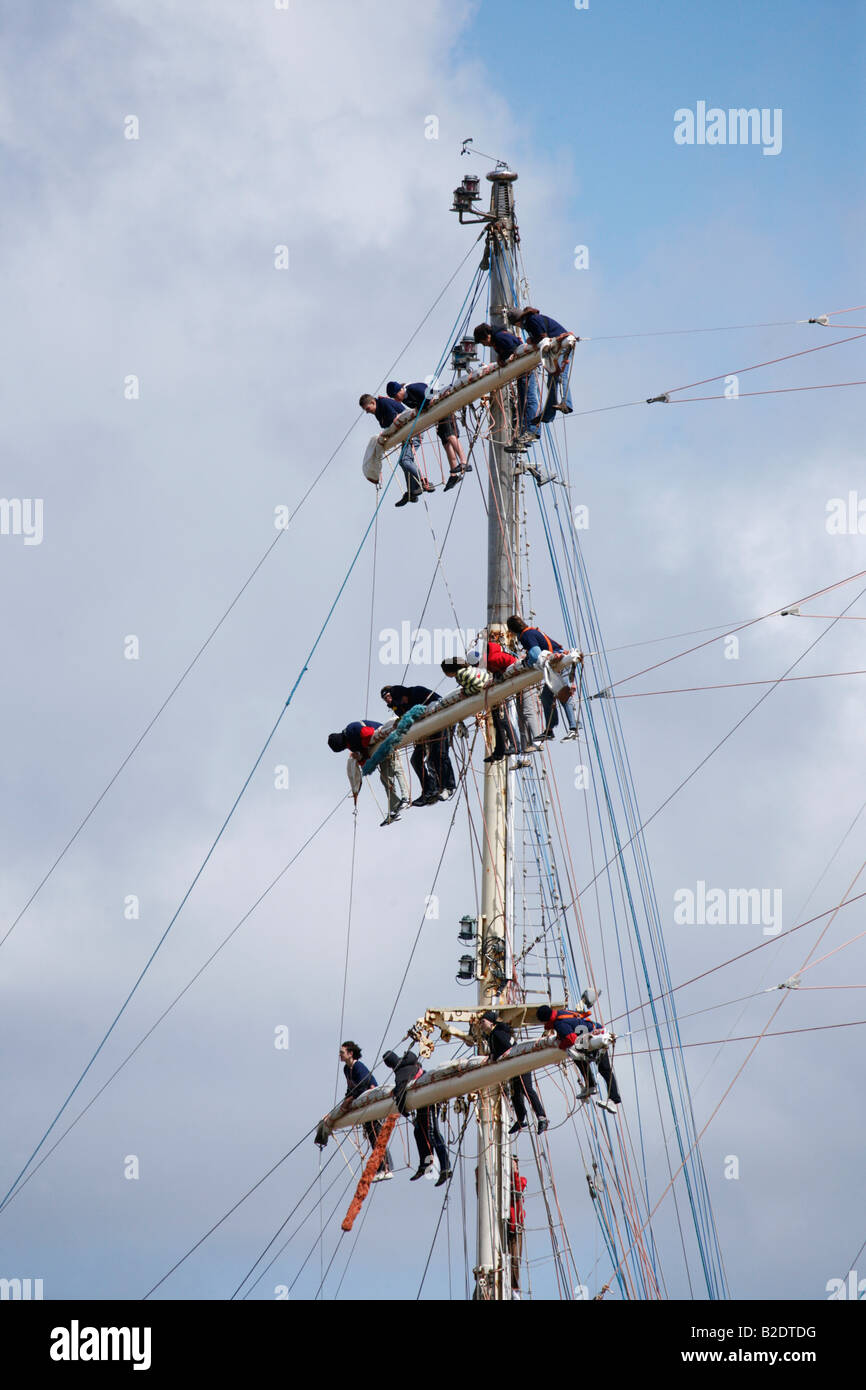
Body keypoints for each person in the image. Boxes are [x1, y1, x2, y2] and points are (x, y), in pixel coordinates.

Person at [536, 1001, 621, 1115]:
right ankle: (592, 1086)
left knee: (579, 1057)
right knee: (599, 1067)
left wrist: (561, 1045)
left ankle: (610, 1098)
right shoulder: (561, 1013)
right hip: (598, 1032)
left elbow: (571, 1039)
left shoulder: (559, 1023)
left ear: (545, 1020)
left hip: (593, 1039)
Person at [383, 1047, 451, 1185]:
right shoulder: (409, 1064)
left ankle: (445, 1167)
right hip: (423, 1101)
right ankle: (425, 1165)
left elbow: (400, 1092)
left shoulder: (401, 1072)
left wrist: (403, 1109)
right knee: (419, 1131)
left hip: (428, 1101)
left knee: (432, 1134)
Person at [386, 381, 471, 491]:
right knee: (446, 442)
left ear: (400, 390)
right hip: (436, 414)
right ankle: (453, 474)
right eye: (393, 397)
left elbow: (430, 396)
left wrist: (427, 405)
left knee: (450, 436)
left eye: (395, 395)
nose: (396, 399)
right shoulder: (405, 399)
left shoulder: (413, 388)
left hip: (442, 407)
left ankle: (464, 462)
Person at [506, 615, 579, 741]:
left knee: (563, 694)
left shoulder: (526, 636)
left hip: (558, 664)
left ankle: (574, 728)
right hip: (556, 665)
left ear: (512, 631)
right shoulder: (531, 632)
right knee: (546, 696)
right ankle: (549, 730)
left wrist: (526, 663)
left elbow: (535, 655)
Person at [380, 684, 455, 804]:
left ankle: (448, 787)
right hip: (424, 729)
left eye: (389, 696)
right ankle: (429, 790)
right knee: (416, 760)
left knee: (438, 754)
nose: (388, 700)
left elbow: (440, 703)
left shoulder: (417, 692)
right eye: (385, 699)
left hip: (440, 721)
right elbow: (407, 717)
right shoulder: (397, 705)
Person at [478, 1010, 548, 1135]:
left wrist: (499, 1055)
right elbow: (497, 1051)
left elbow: (510, 1047)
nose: (481, 1025)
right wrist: (492, 1057)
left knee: (527, 1090)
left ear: (491, 1022)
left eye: (483, 1021)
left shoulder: (498, 1033)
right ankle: (521, 1120)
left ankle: (542, 1117)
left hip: (521, 1063)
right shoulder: (492, 1036)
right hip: (513, 1066)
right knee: (515, 1094)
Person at [359, 392, 434, 507]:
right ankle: (412, 492)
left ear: (373, 402)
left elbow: (394, 420)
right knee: (404, 463)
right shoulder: (378, 412)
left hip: (414, 431)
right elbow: (388, 425)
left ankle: (423, 482)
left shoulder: (383, 404)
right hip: (406, 434)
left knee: (404, 461)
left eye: (367, 408)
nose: (367, 412)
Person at [327, 720, 408, 826]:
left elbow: (369, 733)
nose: (344, 749)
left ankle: (405, 797)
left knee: (396, 768)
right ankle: (395, 808)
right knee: (385, 779)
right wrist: (360, 756)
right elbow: (365, 759)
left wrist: (364, 749)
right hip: (380, 750)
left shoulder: (351, 730)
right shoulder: (350, 743)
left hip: (385, 741)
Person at [472, 322, 540, 448]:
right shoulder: (500, 336)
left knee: (528, 400)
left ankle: (531, 431)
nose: (485, 345)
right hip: (522, 370)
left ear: (487, 336)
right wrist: (500, 357)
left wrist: (501, 357)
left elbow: (511, 348)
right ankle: (526, 434)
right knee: (522, 403)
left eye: (483, 342)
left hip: (526, 369)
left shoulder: (499, 337)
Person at [506, 307, 575, 421]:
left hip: (562, 347)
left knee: (561, 375)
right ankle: (548, 414)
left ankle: (567, 403)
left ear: (518, 321)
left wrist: (532, 341)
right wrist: (532, 340)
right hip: (555, 350)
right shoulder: (530, 322)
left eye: (517, 325)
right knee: (551, 382)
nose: (519, 327)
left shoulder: (532, 320)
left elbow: (543, 337)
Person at [339, 1041, 394, 1180]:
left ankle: (386, 1168)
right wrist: (346, 1098)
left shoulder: (358, 1066)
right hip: (364, 1105)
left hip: (372, 1104)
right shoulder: (347, 1069)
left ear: (350, 1053)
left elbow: (363, 1085)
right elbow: (351, 1088)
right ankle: (381, 1168)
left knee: (377, 1136)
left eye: (342, 1052)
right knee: (372, 1138)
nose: (340, 1055)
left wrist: (349, 1099)